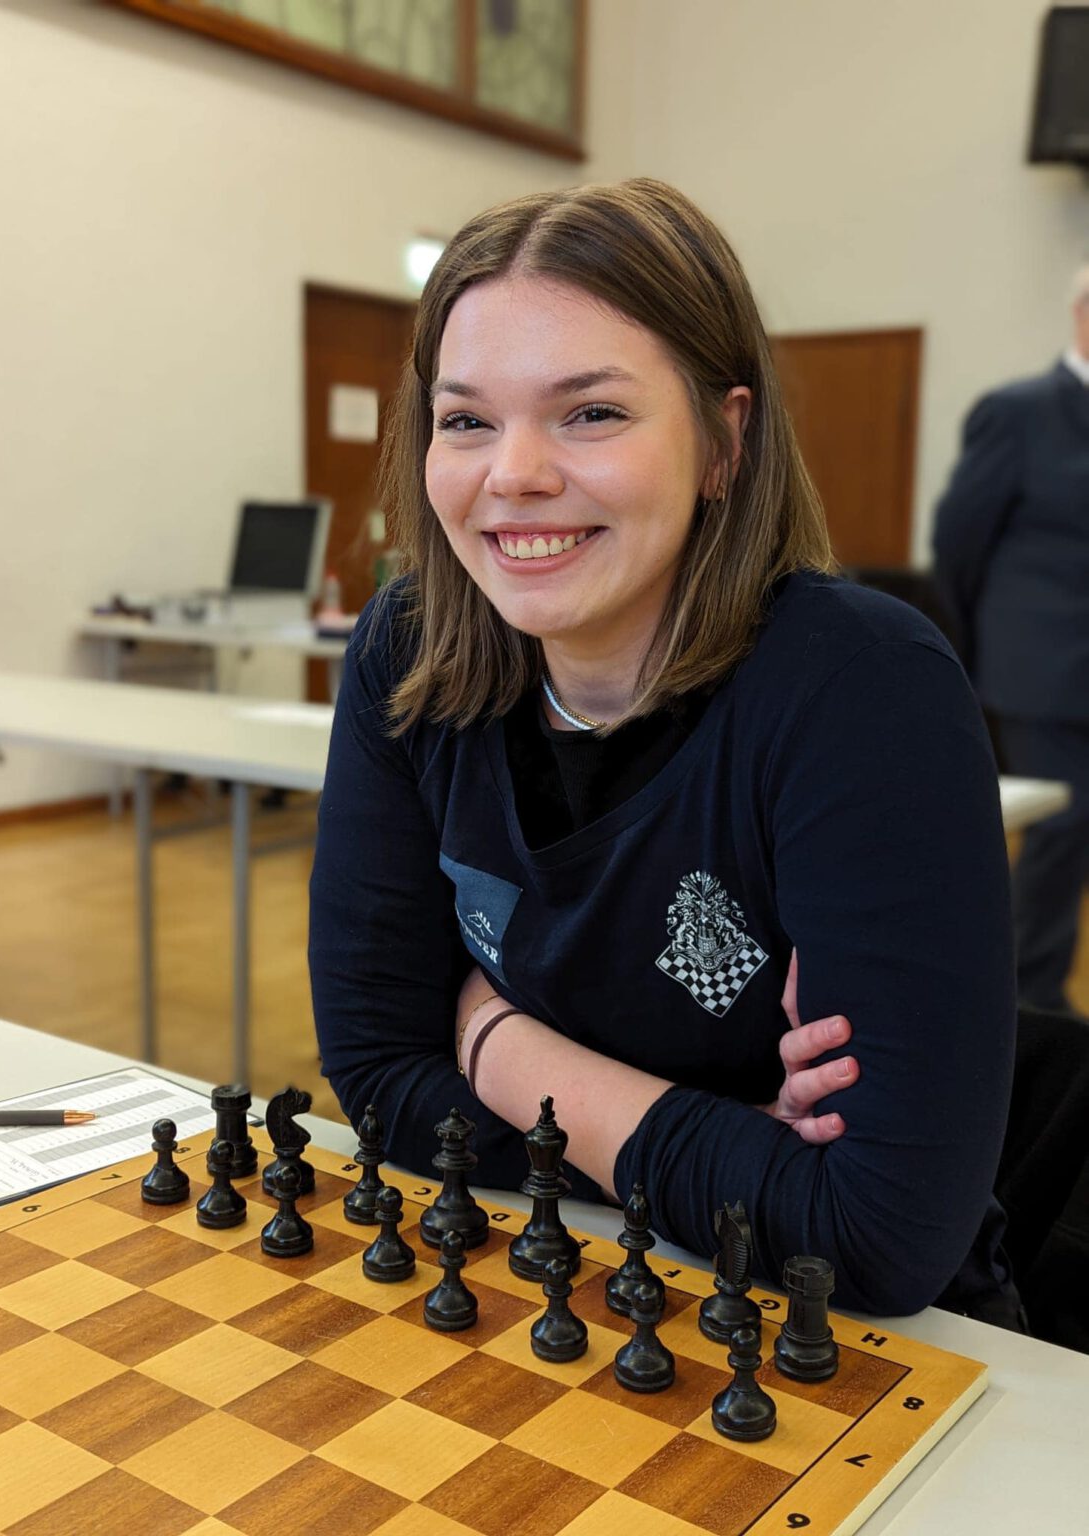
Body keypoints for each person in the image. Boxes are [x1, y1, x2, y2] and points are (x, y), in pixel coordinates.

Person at [310, 178, 1019, 1325]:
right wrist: (726, 1146)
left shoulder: (861, 690)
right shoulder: (408, 651)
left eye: (589, 412)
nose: (513, 473)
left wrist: (486, 1030)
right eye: (465, 418)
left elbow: (874, 1242)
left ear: (722, 440)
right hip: (542, 1280)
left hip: (845, 1354)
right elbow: (381, 1087)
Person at [933, 271, 1089, 1018]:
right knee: (1059, 834)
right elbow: (958, 544)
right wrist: (983, 644)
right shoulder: (1019, 413)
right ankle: (1032, 1007)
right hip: (1047, 671)